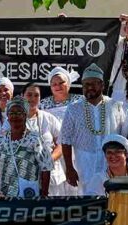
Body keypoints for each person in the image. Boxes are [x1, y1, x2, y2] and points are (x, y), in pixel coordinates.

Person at [61, 64, 126, 194]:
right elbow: (65, 140)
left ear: (102, 85)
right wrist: (69, 168)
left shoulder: (115, 106)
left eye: (93, 84)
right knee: (87, 199)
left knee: (112, 197)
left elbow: (122, 137)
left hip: (110, 162)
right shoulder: (73, 109)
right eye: (86, 84)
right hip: (84, 165)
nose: (89, 87)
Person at [0, 97, 53, 197]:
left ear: (25, 115)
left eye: (19, 113)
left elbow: (46, 167)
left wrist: (44, 194)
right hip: (4, 195)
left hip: (29, 195)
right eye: (12, 113)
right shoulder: (1, 140)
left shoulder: (34, 139)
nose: (15, 116)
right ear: (7, 116)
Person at [40, 67, 82, 196]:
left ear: (68, 83)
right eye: (54, 84)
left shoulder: (80, 101)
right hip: (55, 153)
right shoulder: (43, 104)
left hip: (77, 151)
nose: (58, 86)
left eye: (61, 83)